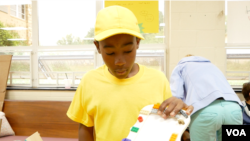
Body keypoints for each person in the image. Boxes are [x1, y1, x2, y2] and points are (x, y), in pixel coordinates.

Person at [67, 6, 193, 141]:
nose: (119, 62)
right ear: (98, 47)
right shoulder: (89, 81)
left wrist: (181, 115)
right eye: (110, 53)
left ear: (137, 43)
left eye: (127, 51)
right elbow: (85, 128)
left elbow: (169, 123)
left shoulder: (158, 80)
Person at [170, 54, 243, 141]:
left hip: (205, 110)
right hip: (234, 109)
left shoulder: (181, 67)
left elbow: (177, 97)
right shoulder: (213, 66)